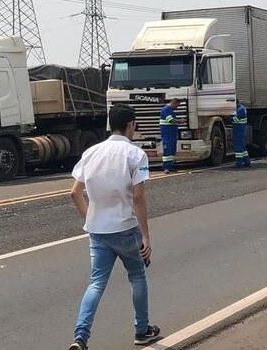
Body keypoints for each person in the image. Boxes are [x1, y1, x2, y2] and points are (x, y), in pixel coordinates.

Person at [68, 105, 160, 350]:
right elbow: (138, 198)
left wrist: (91, 219)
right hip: (126, 228)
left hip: (98, 231)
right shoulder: (135, 154)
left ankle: (80, 337)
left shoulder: (91, 153)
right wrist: (146, 237)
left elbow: (74, 192)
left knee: (96, 283)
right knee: (137, 275)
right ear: (131, 124)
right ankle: (142, 330)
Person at [160, 99, 180, 173]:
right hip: (167, 134)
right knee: (168, 150)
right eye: (177, 105)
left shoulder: (170, 110)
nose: (177, 107)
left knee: (172, 150)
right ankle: (166, 167)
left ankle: (170, 166)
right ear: (173, 103)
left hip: (172, 134)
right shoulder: (166, 110)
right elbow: (170, 120)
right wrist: (179, 121)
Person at [232, 100, 251, 168]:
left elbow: (236, 119)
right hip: (240, 129)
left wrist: (227, 117)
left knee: (238, 147)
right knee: (242, 147)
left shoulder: (240, 109)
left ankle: (239, 163)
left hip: (238, 130)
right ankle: (247, 161)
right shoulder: (242, 108)